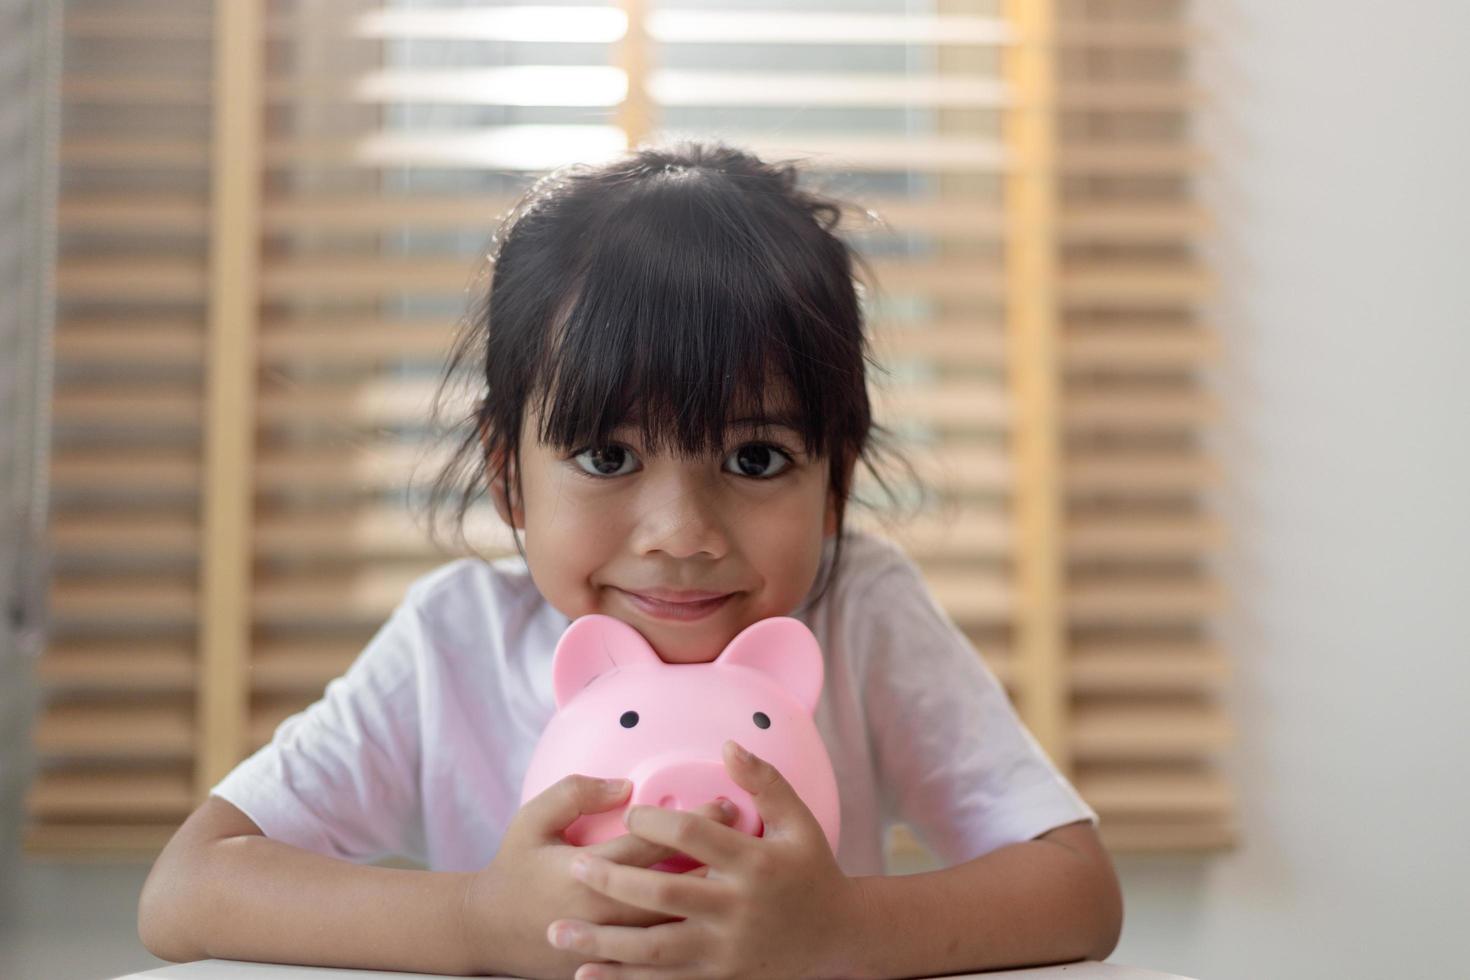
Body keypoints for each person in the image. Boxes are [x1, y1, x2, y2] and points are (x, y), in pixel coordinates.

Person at [138, 142, 1122, 979]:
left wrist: (843, 930)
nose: (680, 533)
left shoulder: (861, 610)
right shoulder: (455, 639)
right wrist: (481, 918)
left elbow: (1077, 887)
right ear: (506, 472)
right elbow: (188, 886)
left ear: (836, 478)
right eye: (608, 456)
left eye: (755, 457)